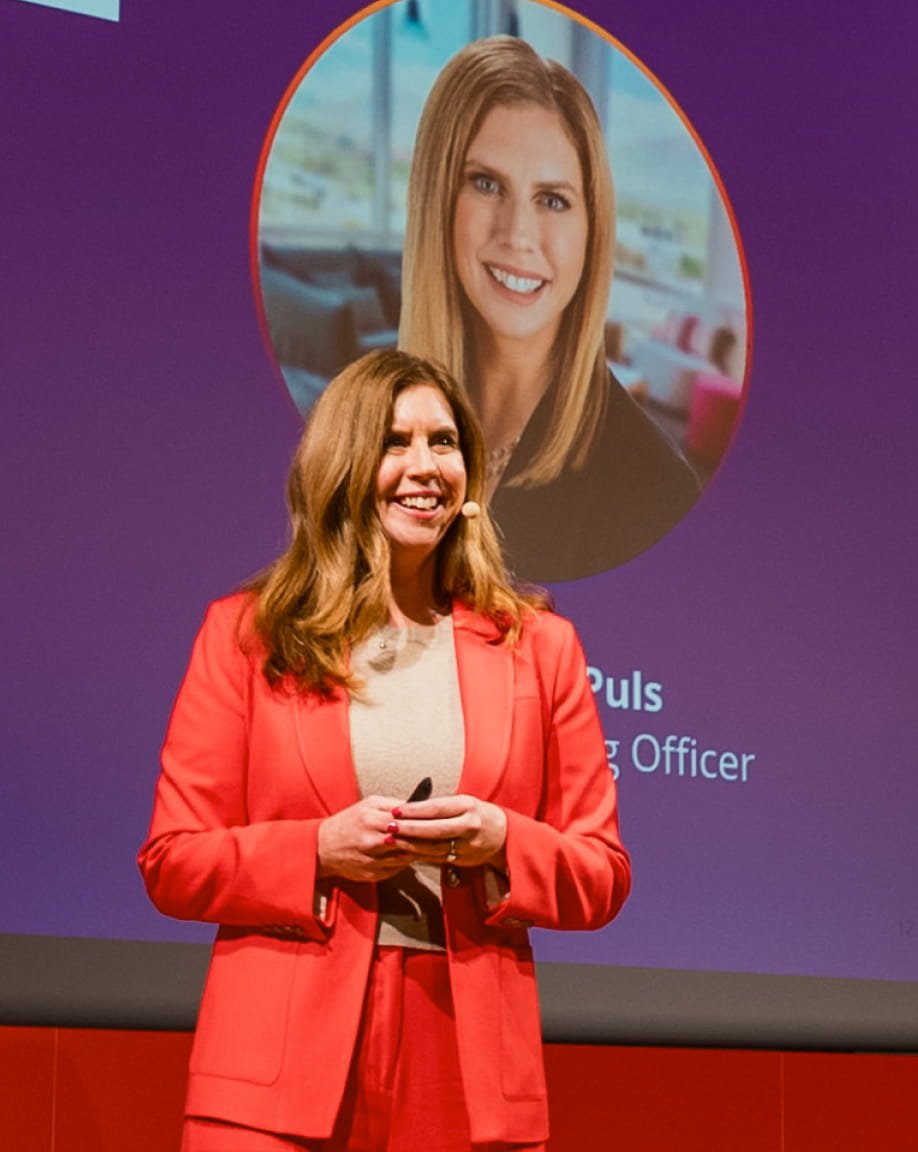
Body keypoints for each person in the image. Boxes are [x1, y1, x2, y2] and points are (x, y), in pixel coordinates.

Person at [139, 349, 630, 1150]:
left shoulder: (538, 647)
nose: (425, 466)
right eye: (396, 441)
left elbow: (601, 873)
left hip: (466, 1066)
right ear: (342, 463)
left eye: (445, 443)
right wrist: (318, 851)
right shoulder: (247, 634)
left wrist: (503, 841)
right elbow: (173, 860)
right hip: (279, 1065)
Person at [400, 35, 700, 584]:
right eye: (486, 184)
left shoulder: (655, 490)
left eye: (553, 199)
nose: (517, 234)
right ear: (437, 201)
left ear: (592, 229)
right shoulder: (367, 429)